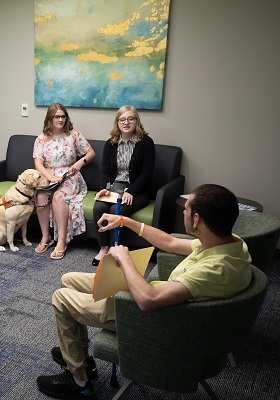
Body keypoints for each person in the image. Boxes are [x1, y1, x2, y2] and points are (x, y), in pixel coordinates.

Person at [37, 184, 252, 399]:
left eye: (186, 209)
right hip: (158, 300)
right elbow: (171, 242)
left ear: (196, 220)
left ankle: (79, 381)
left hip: (147, 316)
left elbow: (148, 300)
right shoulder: (228, 244)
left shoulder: (214, 270)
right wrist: (125, 221)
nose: (183, 212)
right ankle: (82, 359)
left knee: (61, 298)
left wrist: (125, 260)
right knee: (68, 280)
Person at [91, 105, 155, 266]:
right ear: (117, 122)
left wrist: (131, 191)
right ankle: (104, 247)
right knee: (98, 207)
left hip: (138, 190)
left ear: (136, 121)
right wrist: (104, 188)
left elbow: (146, 174)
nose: (126, 122)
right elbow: (104, 171)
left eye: (130, 119)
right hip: (114, 188)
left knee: (116, 210)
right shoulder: (110, 143)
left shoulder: (146, 143)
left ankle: (115, 248)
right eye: (122, 119)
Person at [33, 103, 96, 260]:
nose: (60, 119)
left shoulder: (74, 135)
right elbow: (38, 163)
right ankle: (45, 236)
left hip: (70, 177)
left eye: (63, 116)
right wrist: (51, 177)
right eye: (57, 116)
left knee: (58, 197)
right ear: (50, 118)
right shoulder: (41, 139)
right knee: (40, 196)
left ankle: (61, 241)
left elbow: (91, 153)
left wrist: (81, 162)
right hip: (50, 177)